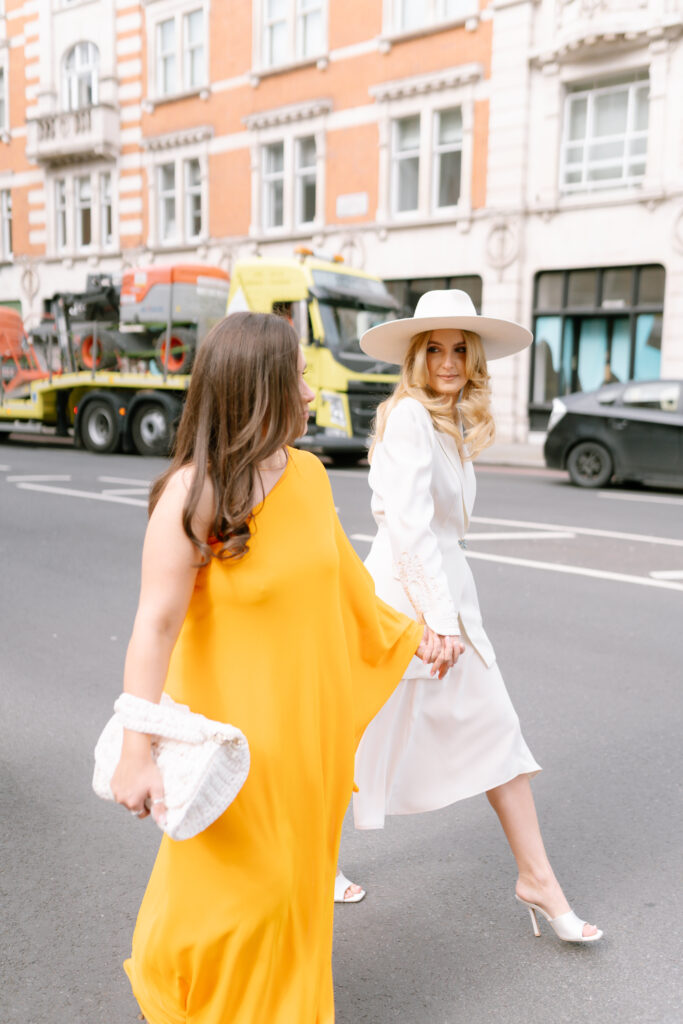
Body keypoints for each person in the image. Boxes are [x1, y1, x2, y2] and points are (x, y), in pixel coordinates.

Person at [109, 310, 454, 1024]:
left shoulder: (309, 474)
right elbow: (155, 624)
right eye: (296, 375)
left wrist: (409, 631)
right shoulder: (193, 492)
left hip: (307, 742)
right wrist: (134, 748)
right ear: (257, 390)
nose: (308, 388)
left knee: (294, 893)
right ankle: (189, 1001)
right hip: (232, 748)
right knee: (235, 898)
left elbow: (342, 582)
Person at [345, 289, 602, 944]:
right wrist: (436, 619)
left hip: (445, 600)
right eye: (434, 348)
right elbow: (407, 528)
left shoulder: (448, 421)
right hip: (407, 606)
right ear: (415, 355)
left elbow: (439, 532)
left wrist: (447, 614)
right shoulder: (407, 416)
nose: (448, 360)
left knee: (494, 731)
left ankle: (537, 880)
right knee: (349, 739)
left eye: (460, 348)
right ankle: (305, 858)